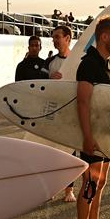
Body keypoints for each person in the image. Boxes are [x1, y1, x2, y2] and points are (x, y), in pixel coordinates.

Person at [75, 15, 110, 219]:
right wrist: (87, 136)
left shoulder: (105, 64)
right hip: (92, 135)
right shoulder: (89, 64)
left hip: (104, 136)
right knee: (90, 183)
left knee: (100, 181)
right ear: (103, 37)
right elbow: (83, 102)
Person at [45, 25, 77, 202]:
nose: (54, 40)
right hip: (53, 114)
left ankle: (69, 190)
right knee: (52, 151)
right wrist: (49, 80)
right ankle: (52, 188)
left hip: (72, 115)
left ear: (68, 39)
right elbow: (39, 87)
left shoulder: (79, 61)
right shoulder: (49, 62)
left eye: (58, 36)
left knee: (69, 152)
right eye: (53, 37)